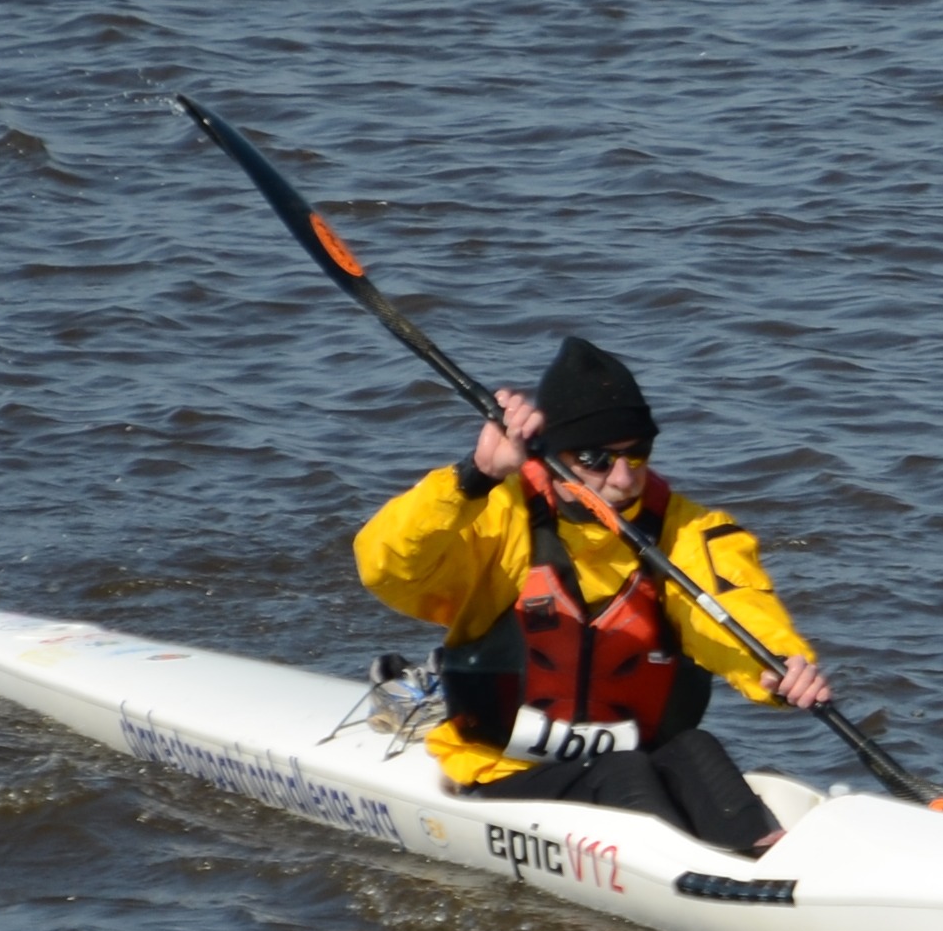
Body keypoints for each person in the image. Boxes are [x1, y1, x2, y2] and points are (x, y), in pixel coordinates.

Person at [352, 334, 838, 861]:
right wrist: (477, 476)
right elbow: (386, 567)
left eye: (637, 455)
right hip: (504, 770)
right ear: (553, 455)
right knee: (624, 770)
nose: (623, 478)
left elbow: (733, 608)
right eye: (595, 459)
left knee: (695, 747)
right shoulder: (501, 514)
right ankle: (691, 878)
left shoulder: (688, 530)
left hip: (632, 759)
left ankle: (766, 857)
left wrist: (775, 670)